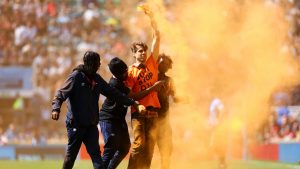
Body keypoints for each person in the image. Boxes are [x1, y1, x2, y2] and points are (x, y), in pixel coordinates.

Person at [51, 51, 145, 169]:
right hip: (76, 124)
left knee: (96, 156)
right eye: (97, 63)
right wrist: (56, 108)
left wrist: (132, 103)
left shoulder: (96, 78)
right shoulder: (76, 77)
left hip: (91, 125)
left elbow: (113, 93)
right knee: (71, 156)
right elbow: (60, 93)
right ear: (89, 63)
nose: (99, 65)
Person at [99, 57, 163, 169]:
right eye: (124, 73)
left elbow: (132, 71)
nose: (127, 74)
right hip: (108, 119)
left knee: (125, 147)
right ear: (117, 74)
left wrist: (139, 65)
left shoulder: (123, 79)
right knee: (111, 149)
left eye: (126, 70)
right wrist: (153, 88)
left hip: (119, 119)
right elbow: (134, 96)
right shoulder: (115, 84)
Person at [126, 4, 161, 169]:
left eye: (144, 51)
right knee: (139, 145)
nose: (143, 53)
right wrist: (152, 89)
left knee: (149, 149)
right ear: (133, 53)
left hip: (153, 113)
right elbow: (130, 96)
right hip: (138, 114)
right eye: (139, 51)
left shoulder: (151, 64)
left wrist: (152, 19)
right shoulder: (130, 72)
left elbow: (157, 37)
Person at [156, 53, 177, 169]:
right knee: (146, 152)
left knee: (167, 150)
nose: (164, 65)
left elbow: (174, 97)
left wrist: (184, 98)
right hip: (150, 118)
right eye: (162, 62)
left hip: (164, 120)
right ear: (157, 62)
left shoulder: (170, 80)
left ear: (169, 67)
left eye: (167, 64)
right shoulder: (151, 76)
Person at [208, 97, 228, 169]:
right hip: (218, 137)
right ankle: (222, 164)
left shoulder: (220, 118)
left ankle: (222, 164)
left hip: (221, 137)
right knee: (219, 150)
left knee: (221, 150)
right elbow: (211, 127)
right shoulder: (214, 118)